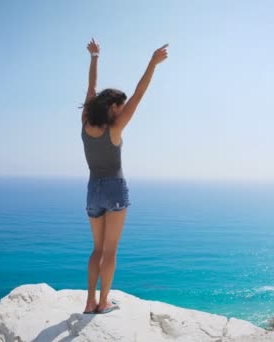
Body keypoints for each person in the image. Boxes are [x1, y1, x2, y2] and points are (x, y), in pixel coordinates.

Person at [79, 38, 168, 314]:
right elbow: (139, 95)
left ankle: (89, 301)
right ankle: (104, 303)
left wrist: (94, 57)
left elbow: (92, 88)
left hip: (93, 189)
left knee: (96, 250)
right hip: (115, 190)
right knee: (111, 251)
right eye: (120, 105)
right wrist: (152, 63)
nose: (123, 108)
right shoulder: (114, 129)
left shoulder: (85, 123)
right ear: (113, 107)